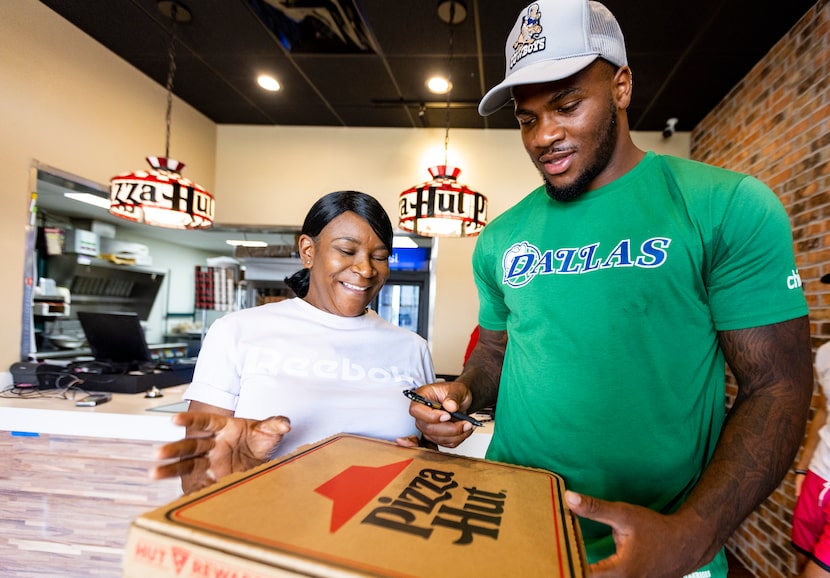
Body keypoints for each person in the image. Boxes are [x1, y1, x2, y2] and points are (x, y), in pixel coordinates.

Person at [401, 0, 813, 576]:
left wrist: (693, 536)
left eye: (567, 105)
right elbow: (496, 353)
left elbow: (777, 386)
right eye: (526, 118)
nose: (544, 135)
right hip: (511, 525)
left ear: (621, 86)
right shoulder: (501, 237)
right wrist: (463, 394)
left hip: (663, 541)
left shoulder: (725, 206)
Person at [152, 191, 435, 493]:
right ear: (308, 250)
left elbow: (434, 461)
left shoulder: (413, 348)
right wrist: (242, 464)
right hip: (265, 531)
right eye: (347, 251)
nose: (366, 270)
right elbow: (194, 481)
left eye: (379, 257)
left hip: (383, 534)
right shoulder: (235, 332)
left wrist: (422, 460)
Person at [792, 274, 830, 577]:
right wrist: (803, 469)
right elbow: (823, 409)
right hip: (818, 476)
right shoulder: (826, 353)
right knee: (802, 561)